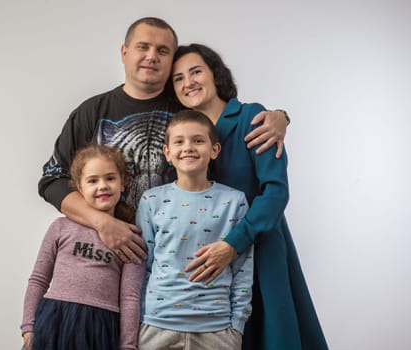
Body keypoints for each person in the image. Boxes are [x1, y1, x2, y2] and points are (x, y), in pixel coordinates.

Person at [38, 17, 290, 263]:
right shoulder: (93, 111)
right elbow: (52, 180)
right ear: (124, 52)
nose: (152, 56)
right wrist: (102, 221)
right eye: (142, 47)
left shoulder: (190, 110)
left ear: (171, 61)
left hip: (183, 259)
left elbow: (229, 125)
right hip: (106, 259)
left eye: (163, 50)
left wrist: (280, 117)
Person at [170, 43, 328, 350]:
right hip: (208, 258)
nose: (187, 82)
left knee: (271, 335)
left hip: (260, 247)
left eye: (195, 71)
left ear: (215, 74)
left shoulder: (252, 117)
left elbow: (276, 192)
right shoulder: (183, 135)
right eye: (177, 78)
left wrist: (234, 244)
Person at [136, 110, 254, 350]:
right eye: (179, 141)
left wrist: (236, 327)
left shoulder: (235, 201)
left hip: (217, 329)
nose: (188, 147)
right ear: (167, 153)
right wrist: (138, 320)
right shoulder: (151, 200)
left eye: (198, 140)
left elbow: (243, 268)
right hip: (156, 326)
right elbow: (142, 265)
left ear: (214, 150)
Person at [21, 144, 144, 350]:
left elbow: (130, 297)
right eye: (93, 181)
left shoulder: (130, 238)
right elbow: (39, 279)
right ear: (80, 188)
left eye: (110, 178)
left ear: (123, 183)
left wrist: (128, 345)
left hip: (101, 327)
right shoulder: (60, 227)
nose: (102, 186)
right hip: (54, 320)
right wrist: (28, 328)